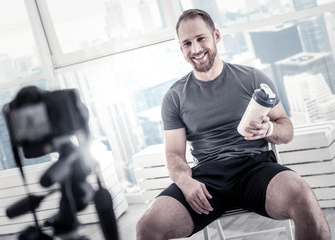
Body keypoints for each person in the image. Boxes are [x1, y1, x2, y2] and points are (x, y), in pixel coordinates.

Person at [136, 8, 331, 240]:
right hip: (207, 180)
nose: (195, 49)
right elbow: (174, 154)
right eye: (187, 43)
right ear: (181, 48)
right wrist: (185, 181)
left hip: (256, 170)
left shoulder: (252, 79)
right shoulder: (174, 97)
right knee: (147, 227)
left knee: (304, 197)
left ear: (216, 36)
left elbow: (286, 128)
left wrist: (269, 129)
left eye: (201, 39)